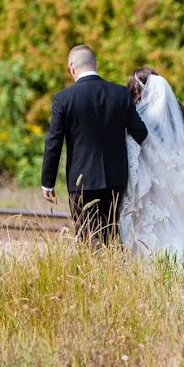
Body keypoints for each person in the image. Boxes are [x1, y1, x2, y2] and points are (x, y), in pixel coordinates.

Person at [41, 45, 148, 245]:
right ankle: (112, 273)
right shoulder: (120, 94)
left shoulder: (63, 99)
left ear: (71, 68)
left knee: (87, 237)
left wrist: (48, 181)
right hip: (116, 179)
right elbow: (141, 133)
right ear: (96, 65)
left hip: (82, 182)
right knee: (112, 236)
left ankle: (95, 274)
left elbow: (54, 142)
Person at [119, 67, 184, 268]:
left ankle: (148, 267)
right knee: (173, 222)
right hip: (169, 178)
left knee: (147, 224)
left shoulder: (138, 113)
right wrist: (170, 160)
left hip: (146, 181)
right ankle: (181, 266)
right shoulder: (178, 108)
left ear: (137, 89)